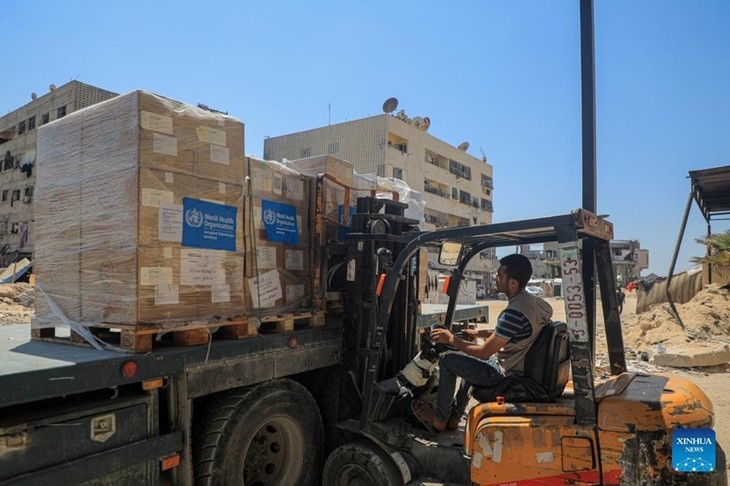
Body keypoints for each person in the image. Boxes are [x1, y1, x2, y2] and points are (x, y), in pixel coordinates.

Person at [412, 253, 553, 433]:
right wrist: (479, 333)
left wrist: (451, 339)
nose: (496, 277)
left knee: (448, 361)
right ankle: (455, 416)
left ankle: (439, 420)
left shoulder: (514, 314)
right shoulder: (537, 304)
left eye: (500, 275)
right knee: (468, 359)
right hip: (520, 366)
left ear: (513, 283)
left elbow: (483, 353)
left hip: (509, 375)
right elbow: (517, 334)